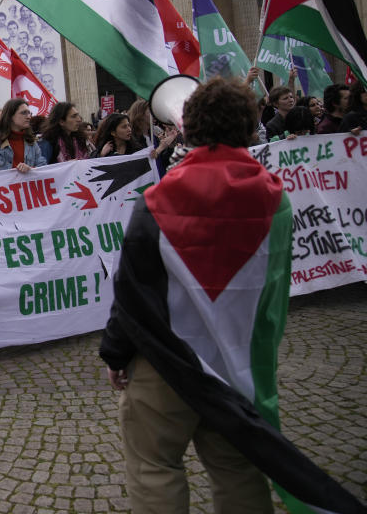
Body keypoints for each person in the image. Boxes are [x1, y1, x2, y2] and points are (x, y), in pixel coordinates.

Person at [99, 78, 284, 513]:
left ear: (189, 127)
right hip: (234, 363)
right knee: (240, 472)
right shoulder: (277, 198)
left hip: (164, 361)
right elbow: (273, 292)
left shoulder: (158, 198)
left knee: (154, 469)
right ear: (251, 127)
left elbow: (131, 286)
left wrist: (115, 353)